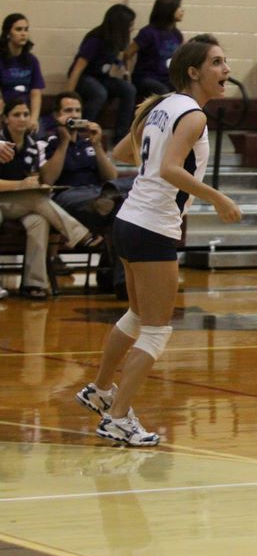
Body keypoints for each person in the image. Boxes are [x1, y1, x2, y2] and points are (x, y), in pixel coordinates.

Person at [74, 34, 242, 446]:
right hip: (152, 226)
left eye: (225, 61)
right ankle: (117, 418)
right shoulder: (193, 115)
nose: (226, 70)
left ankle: (100, 389)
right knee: (156, 329)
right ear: (193, 72)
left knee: (136, 315)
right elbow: (169, 168)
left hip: (129, 220)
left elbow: (123, 152)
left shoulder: (160, 105)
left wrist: (156, 155)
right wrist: (218, 197)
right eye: (217, 62)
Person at [0, 98, 100, 299]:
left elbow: (33, 177)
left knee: (38, 219)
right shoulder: (2, 142)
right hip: (4, 200)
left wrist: (36, 184)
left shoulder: (31, 145)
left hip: (19, 202)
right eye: (17, 115)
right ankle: (80, 235)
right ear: (5, 119)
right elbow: (20, 184)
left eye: (26, 114)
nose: (22, 118)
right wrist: (20, 185)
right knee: (36, 199)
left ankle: (34, 283)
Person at [38, 91, 135, 297]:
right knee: (124, 205)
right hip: (66, 194)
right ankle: (120, 280)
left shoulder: (89, 141)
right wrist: (64, 142)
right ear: (57, 116)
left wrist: (97, 145)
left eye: (77, 110)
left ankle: (120, 283)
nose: (74, 115)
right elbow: (48, 180)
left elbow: (111, 176)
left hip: (97, 193)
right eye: (68, 111)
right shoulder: (47, 141)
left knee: (128, 199)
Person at [66, 4, 138, 141]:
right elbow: (77, 68)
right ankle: (82, 133)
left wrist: (125, 71)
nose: (132, 28)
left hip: (101, 78)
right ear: (120, 25)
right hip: (84, 77)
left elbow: (118, 59)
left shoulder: (117, 40)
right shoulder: (95, 39)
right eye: (130, 25)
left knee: (129, 89)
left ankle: (121, 136)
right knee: (99, 93)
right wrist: (68, 95)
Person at [124, 0, 184, 97]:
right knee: (163, 91)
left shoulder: (176, 34)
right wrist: (127, 75)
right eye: (179, 7)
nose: (182, 10)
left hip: (166, 77)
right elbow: (128, 53)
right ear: (168, 10)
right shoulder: (148, 32)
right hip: (146, 77)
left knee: (184, 89)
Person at [0, 13, 45, 131]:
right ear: (8, 33)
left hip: (25, 110)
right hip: (5, 110)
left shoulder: (32, 60)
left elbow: (36, 92)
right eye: (18, 29)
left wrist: (34, 118)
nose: (23, 33)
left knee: (39, 131)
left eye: (26, 29)